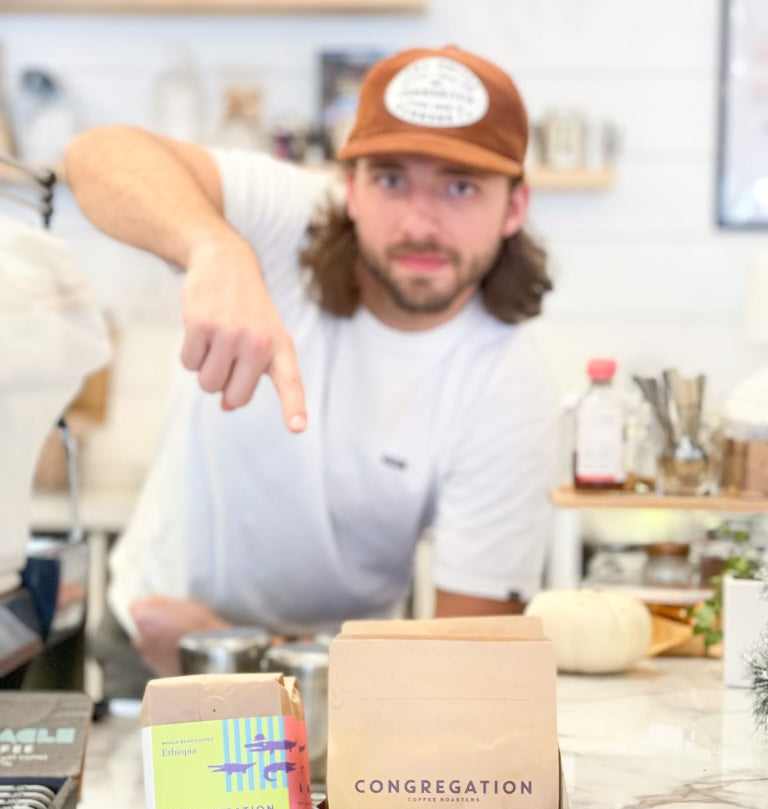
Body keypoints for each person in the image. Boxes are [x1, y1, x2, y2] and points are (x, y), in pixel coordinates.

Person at [64, 44, 556, 697]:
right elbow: (97, 155)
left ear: (514, 208)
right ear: (348, 188)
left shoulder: (507, 389)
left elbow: (465, 662)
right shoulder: (284, 222)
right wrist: (215, 247)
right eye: (390, 179)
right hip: (155, 649)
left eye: (460, 187)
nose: (419, 222)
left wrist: (240, 653)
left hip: (342, 686)